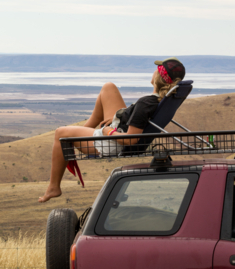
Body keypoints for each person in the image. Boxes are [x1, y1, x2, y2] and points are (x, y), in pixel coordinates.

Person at [38, 57, 186, 203]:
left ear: (158, 77)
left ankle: (53, 187)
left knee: (60, 133)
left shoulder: (145, 103)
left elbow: (131, 139)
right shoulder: (155, 101)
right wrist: (120, 119)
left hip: (112, 142)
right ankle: (81, 135)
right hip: (119, 129)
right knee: (108, 87)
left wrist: (107, 131)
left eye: (156, 70)